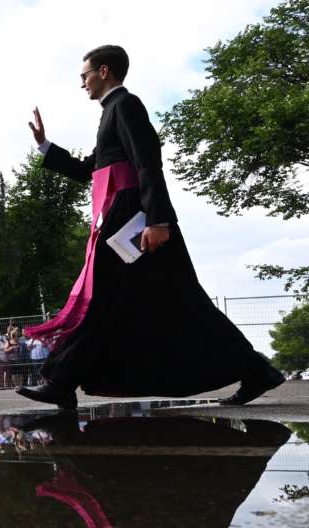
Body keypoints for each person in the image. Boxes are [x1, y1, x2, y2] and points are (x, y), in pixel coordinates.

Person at [19, 44, 284, 410]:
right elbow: (88, 171)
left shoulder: (125, 105)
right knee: (178, 302)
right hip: (131, 220)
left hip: (135, 220)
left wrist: (158, 220)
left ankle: (61, 381)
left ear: (105, 71)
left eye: (85, 75)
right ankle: (257, 371)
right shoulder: (111, 112)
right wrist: (45, 147)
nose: (82, 83)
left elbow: (148, 163)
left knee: (107, 299)